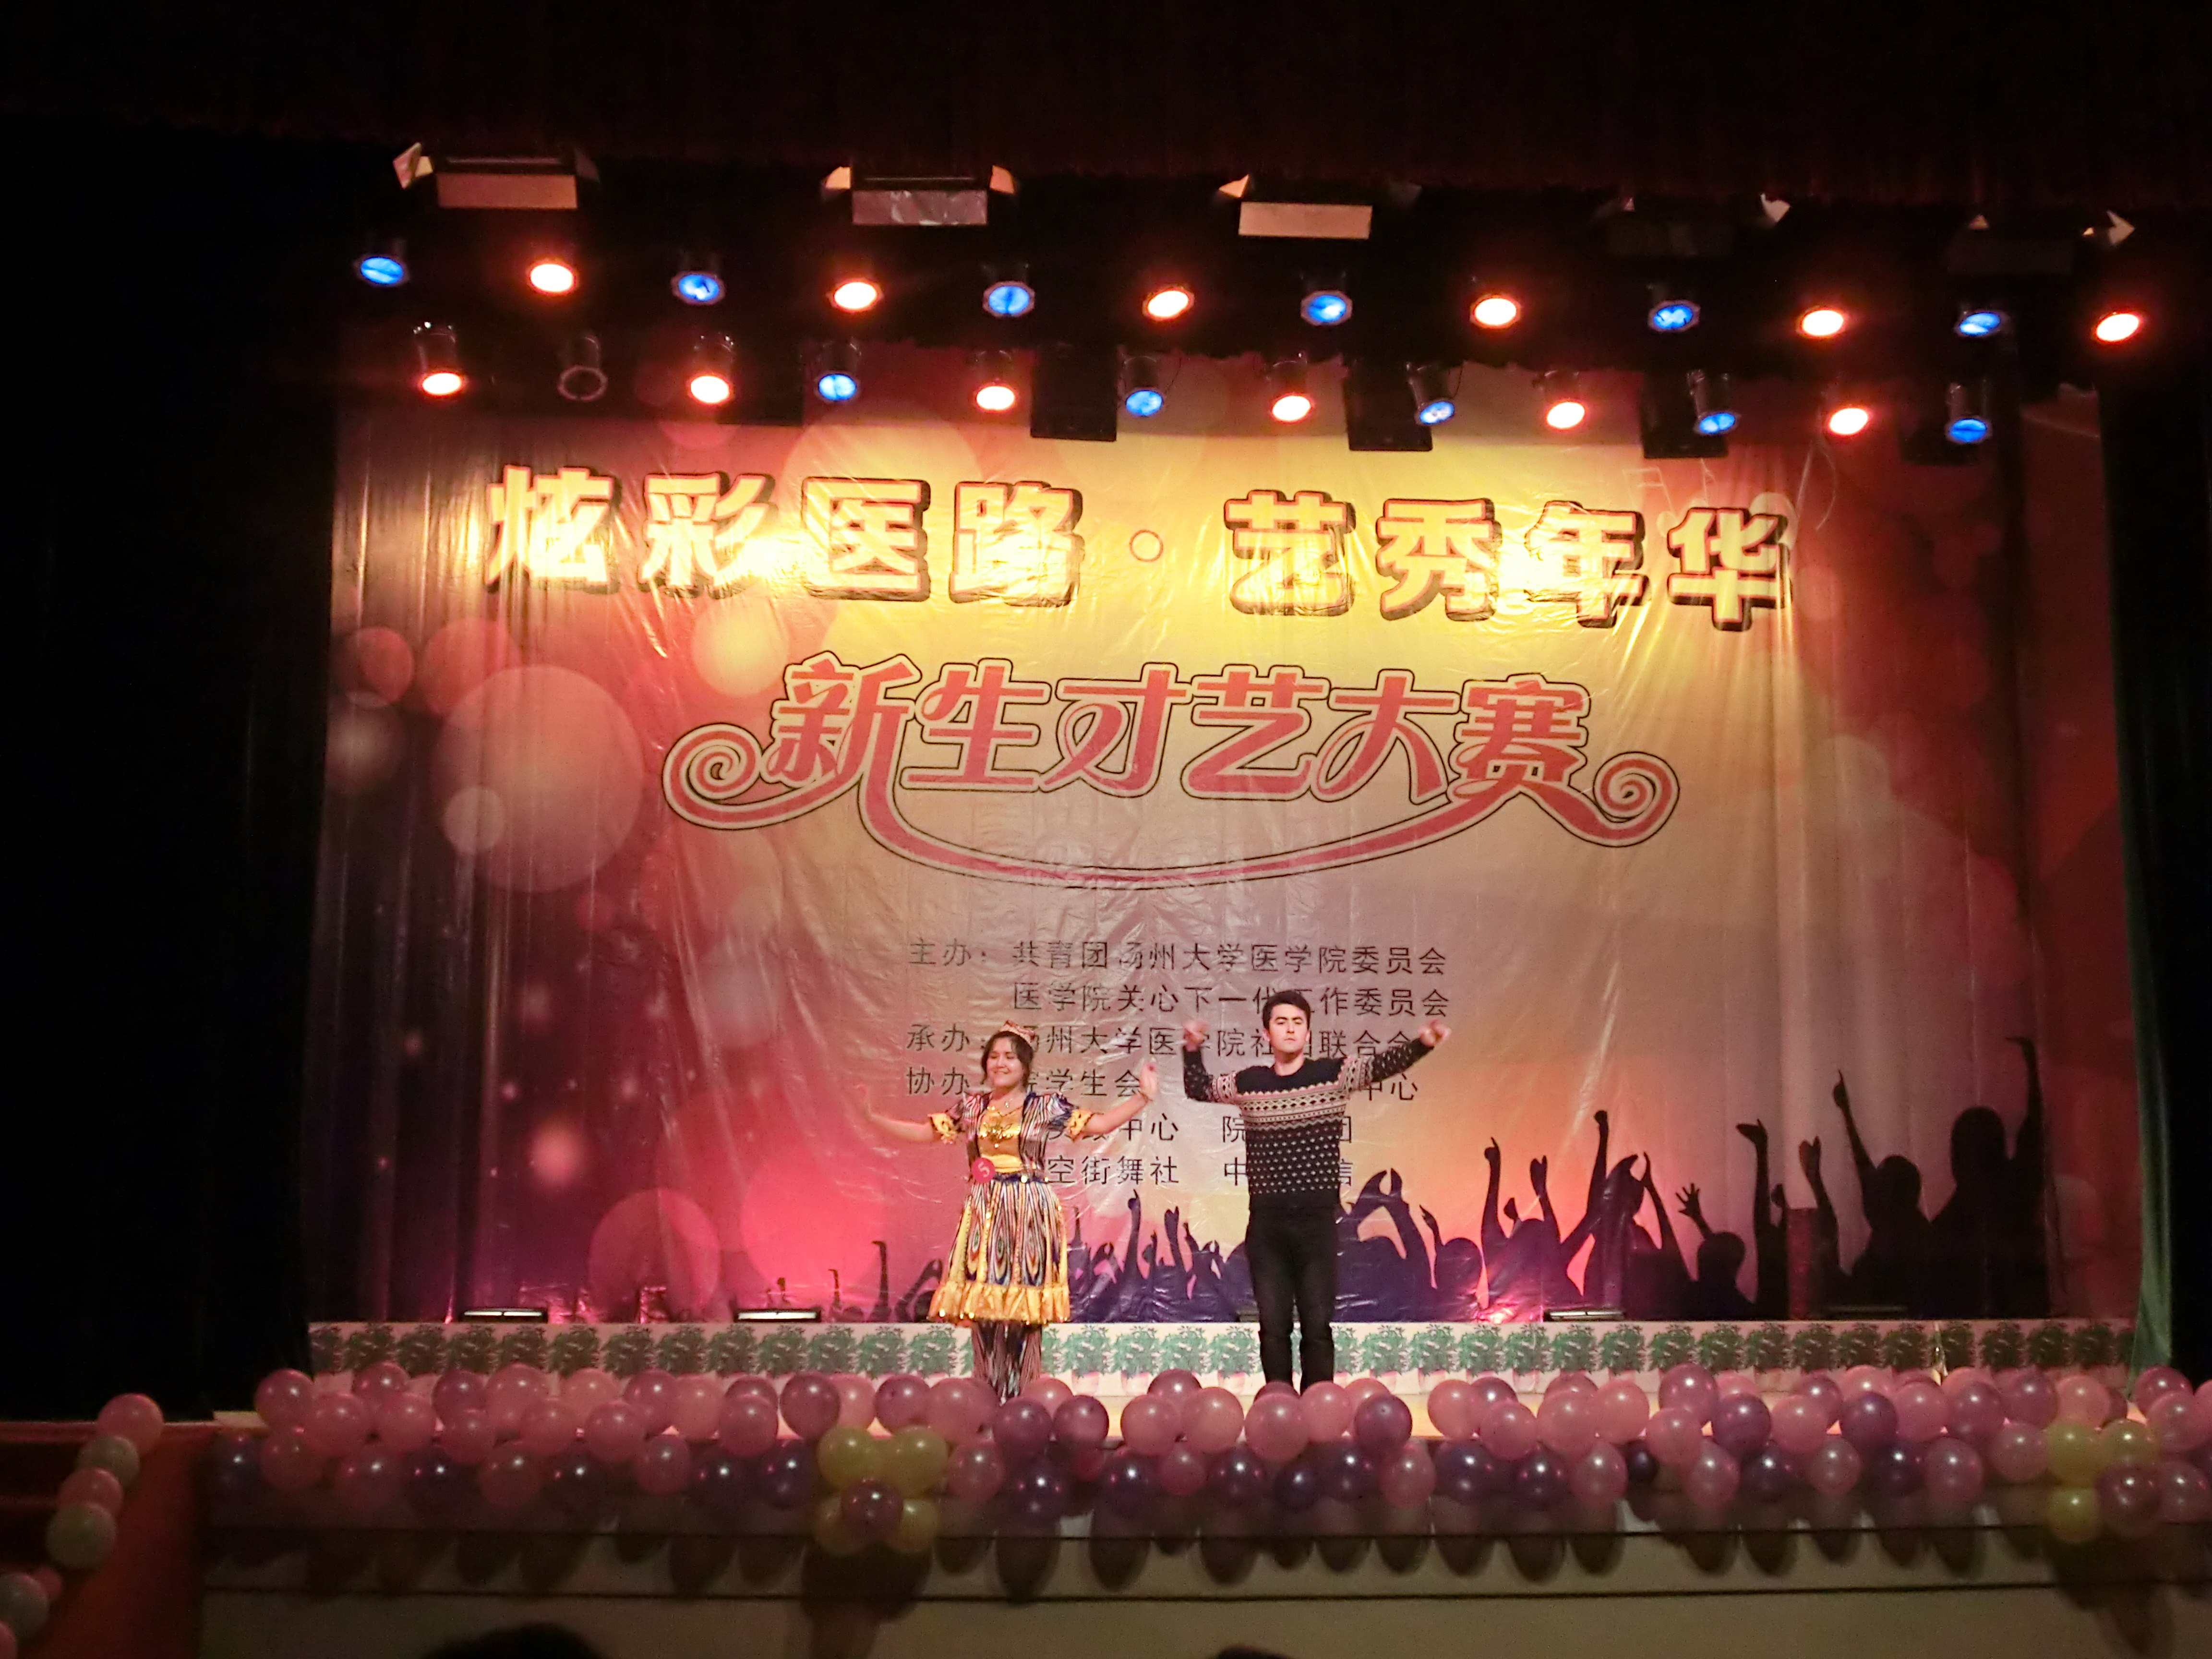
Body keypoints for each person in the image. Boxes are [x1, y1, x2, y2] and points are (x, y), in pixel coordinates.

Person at [868, 1024, 1155, 1399]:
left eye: (1009, 1057)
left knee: (1024, 1308)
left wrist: (1142, 1097)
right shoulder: (972, 1106)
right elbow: (927, 1132)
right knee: (983, 1305)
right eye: (994, 1056)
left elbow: (1098, 1125)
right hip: (985, 1210)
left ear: (1025, 1065)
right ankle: (985, 1392)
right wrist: (872, 1116)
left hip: (1028, 1209)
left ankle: (1023, 1395)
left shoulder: (1044, 1106)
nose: (1000, 1064)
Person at [1182, 992, 1448, 1391]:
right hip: (1268, 1227)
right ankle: (1278, 1405)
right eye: (1281, 1022)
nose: (1290, 1030)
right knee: (1273, 1327)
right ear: (1266, 1033)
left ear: (1308, 1032)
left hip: (1318, 1225)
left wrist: (1422, 1044)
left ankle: (1318, 1409)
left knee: (1317, 1326)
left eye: (1298, 1023)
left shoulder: (1334, 1075)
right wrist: (1192, 1049)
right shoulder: (1250, 1083)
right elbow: (1198, 1087)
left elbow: (1382, 1066)